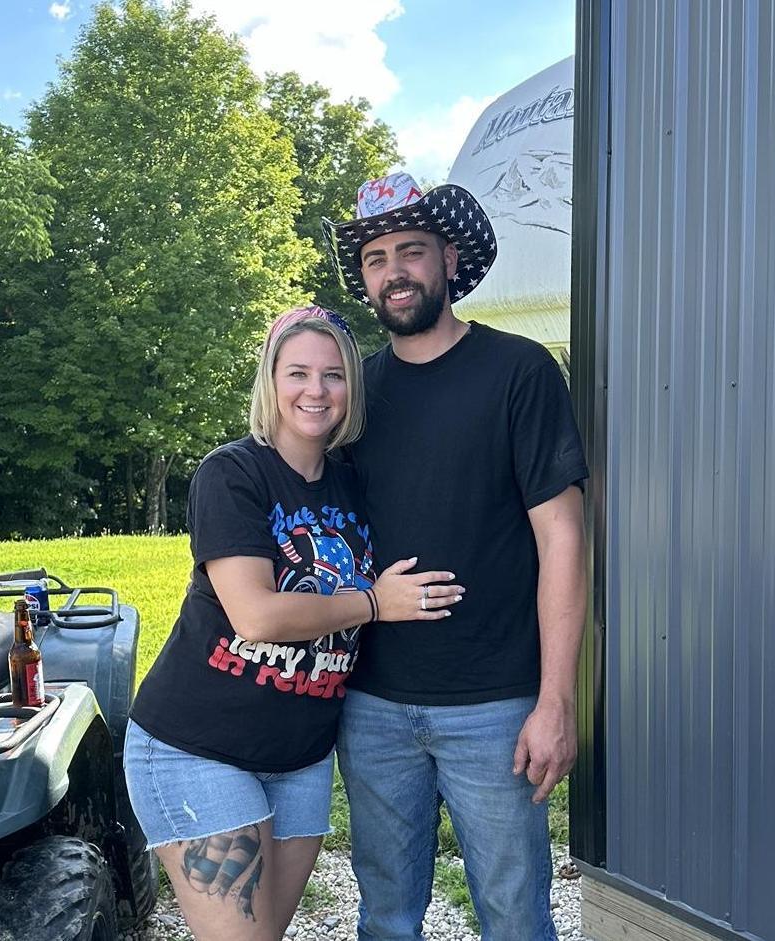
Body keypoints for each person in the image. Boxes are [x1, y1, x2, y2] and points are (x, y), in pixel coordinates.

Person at [123, 307, 464, 941]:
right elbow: (255, 615)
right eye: (298, 373)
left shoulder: (355, 485)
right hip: (198, 748)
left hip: (301, 760)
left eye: (334, 375)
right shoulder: (233, 473)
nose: (317, 390)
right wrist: (373, 603)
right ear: (271, 380)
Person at [322, 173, 589, 940]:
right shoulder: (355, 393)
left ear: (448, 258)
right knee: (386, 918)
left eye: (410, 250)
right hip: (372, 705)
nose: (393, 271)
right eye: (375, 258)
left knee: (514, 916)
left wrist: (554, 699)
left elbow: (563, 538)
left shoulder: (518, 371)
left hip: (494, 704)